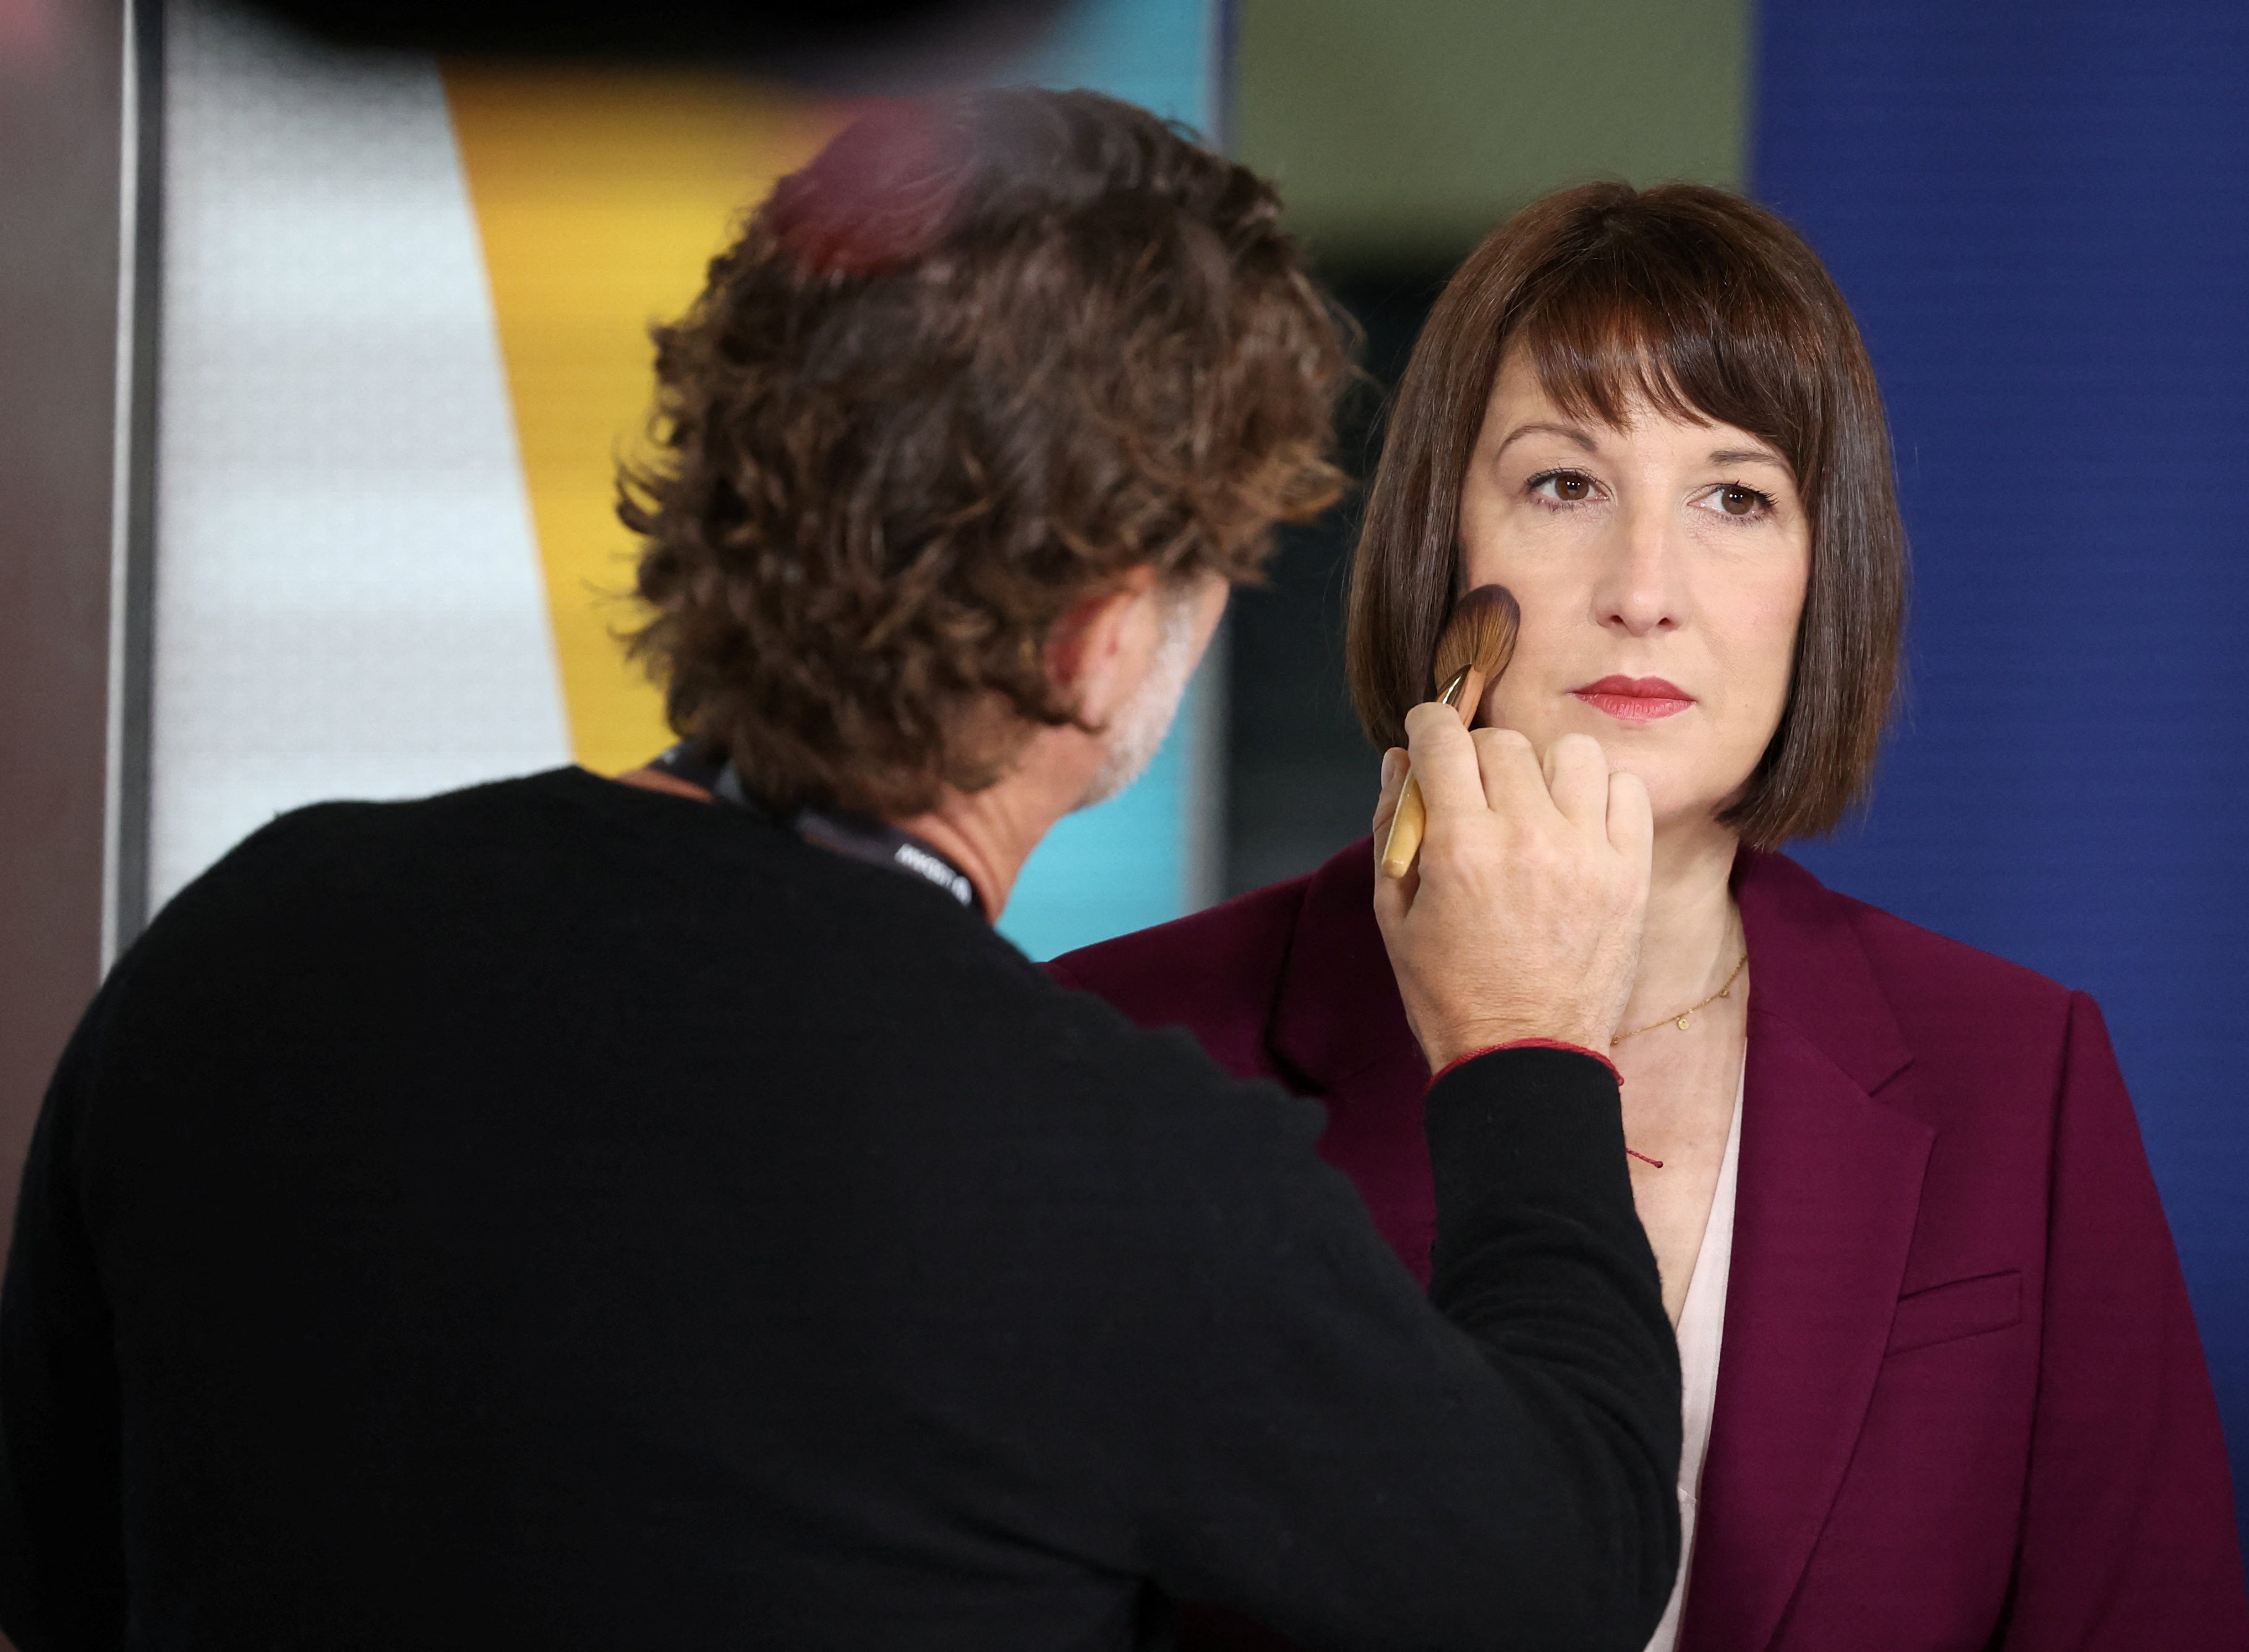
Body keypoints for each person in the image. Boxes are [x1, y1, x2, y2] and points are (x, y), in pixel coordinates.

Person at [0, 93, 1688, 1651]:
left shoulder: (251, 944)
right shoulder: (1115, 1178)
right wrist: (1531, 1045)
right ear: (1100, 642)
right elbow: (1561, 1576)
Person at [1051, 182, 2249, 1651]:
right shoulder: (1116, 1047)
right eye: (1563, 483)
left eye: (1733, 497)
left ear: (1824, 577)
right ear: (1440, 538)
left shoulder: (2018, 1072)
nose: (1643, 590)